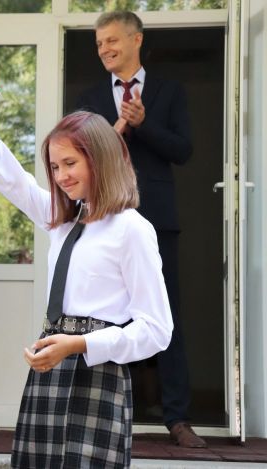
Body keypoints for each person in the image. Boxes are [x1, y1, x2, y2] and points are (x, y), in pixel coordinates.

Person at [0, 40, 173, 468]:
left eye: (70, 164)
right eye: (55, 167)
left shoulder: (132, 229)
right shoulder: (62, 218)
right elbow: (6, 175)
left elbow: (156, 330)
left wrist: (80, 344)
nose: (60, 176)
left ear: (100, 159)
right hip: (51, 367)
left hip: (99, 372)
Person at [76, 11, 204, 448]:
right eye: (99, 44)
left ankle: (178, 418)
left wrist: (144, 123)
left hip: (158, 220)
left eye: (112, 40)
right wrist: (118, 127)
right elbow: (83, 155)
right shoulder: (90, 96)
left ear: (136, 40)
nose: (104, 49)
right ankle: (112, 416)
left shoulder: (170, 91)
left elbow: (183, 150)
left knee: (166, 317)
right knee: (111, 318)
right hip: (107, 222)